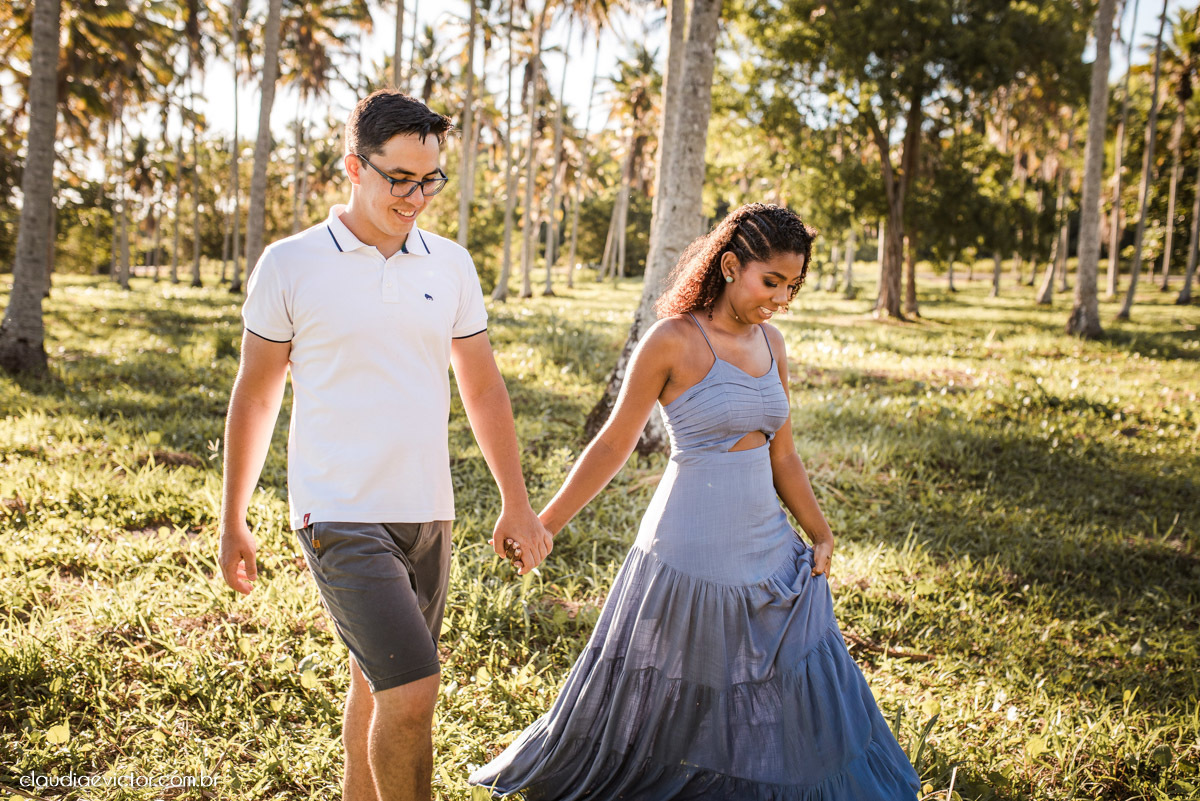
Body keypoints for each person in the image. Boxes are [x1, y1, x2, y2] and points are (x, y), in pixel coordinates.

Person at [470, 203, 920, 799]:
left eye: (792, 285)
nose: (782, 298)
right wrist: (543, 526)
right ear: (731, 266)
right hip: (691, 544)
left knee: (781, 676)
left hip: (767, 538)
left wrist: (820, 532)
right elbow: (613, 444)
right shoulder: (674, 339)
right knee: (693, 676)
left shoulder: (772, 342)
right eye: (771, 282)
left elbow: (782, 454)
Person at [217, 89, 553, 801]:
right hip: (337, 509)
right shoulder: (291, 263)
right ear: (353, 166)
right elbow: (256, 394)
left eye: (428, 178)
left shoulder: (450, 264)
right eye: (398, 178)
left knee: (377, 684)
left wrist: (515, 502)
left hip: (429, 509)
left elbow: (485, 387)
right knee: (414, 689)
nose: (415, 195)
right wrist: (233, 516)